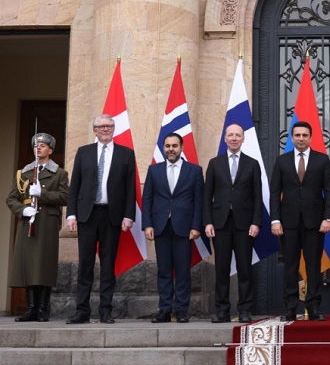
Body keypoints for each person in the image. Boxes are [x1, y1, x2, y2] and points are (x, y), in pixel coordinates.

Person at [66, 114, 136, 324]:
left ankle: (105, 310)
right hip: (87, 215)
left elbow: (130, 188)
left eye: (109, 126)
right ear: (95, 130)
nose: (105, 129)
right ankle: (82, 311)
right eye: (101, 126)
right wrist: (71, 214)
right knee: (85, 265)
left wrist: (128, 215)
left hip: (112, 216)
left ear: (113, 129)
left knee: (108, 265)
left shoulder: (126, 154)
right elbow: (74, 186)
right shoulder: (83, 152)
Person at [270, 121, 330, 322]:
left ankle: (313, 307)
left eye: (304, 135)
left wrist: (327, 218)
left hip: (315, 222)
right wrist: (275, 220)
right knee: (290, 265)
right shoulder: (282, 161)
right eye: (297, 135)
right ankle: (290, 308)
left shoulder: (322, 160)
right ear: (291, 138)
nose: (300, 138)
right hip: (288, 222)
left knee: (313, 265)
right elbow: (274, 192)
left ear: (310, 137)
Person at [203, 123, 262, 323]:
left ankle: (245, 310)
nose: (234, 138)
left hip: (245, 225)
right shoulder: (214, 163)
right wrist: (208, 222)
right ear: (225, 139)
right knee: (221, 268)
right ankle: (222, 311)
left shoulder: (252, 164)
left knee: (245, 268)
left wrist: (256, 222)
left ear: (243, 139)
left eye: (238, 135)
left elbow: (257, 197)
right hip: (220, 224)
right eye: (231, 135)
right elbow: (206, 196)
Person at [7, 133, 69, 322]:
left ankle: (43, 309)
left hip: (47, 223)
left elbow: (65, 197)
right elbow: (11, 199)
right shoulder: (23, 173)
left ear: (50, 150)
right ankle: (31, 309)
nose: (38, 148)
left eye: (42, 145)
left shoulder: (59, 173)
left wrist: (43, 194)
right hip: (28, 222)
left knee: (44, 265)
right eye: (36, 145)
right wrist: (22, 210)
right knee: (29, 265)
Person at [142, 133, 203, 323]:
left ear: (181, 147)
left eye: (174, 146)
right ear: (163, 148)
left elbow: (198, 201)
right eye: (167, 146)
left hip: (184, 228)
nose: (171, 149)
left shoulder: (194, 170)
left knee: (183, 270)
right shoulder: (154, 170)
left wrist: (196, 226)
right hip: (160, 226)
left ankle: (182, 311)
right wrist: (147, 225)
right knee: (164, 270)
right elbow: (148, 199)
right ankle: (165, 310)